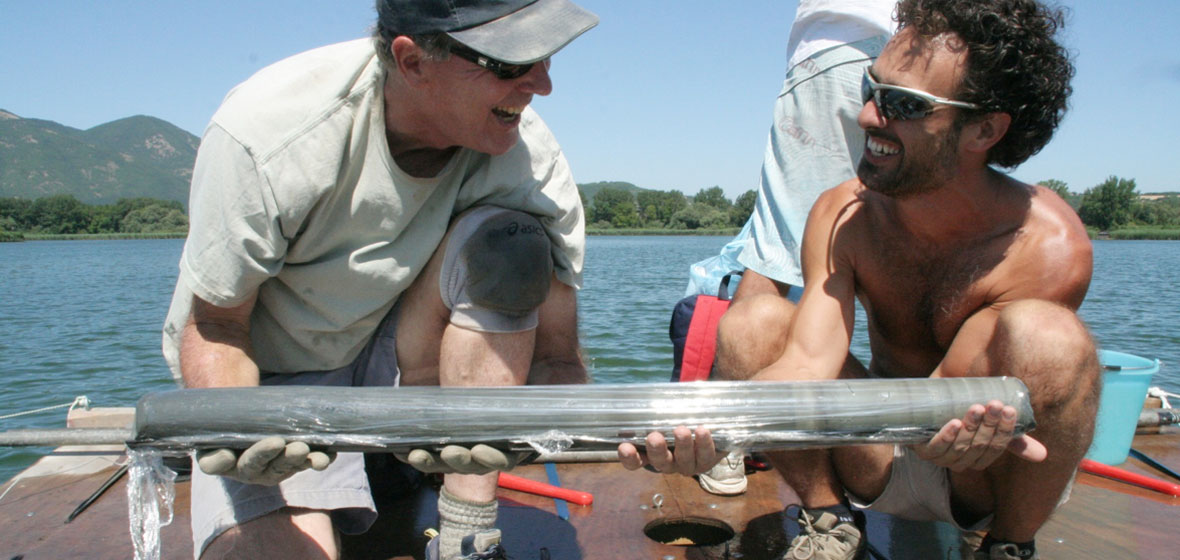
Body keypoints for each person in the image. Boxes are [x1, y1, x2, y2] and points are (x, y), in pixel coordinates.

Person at [640, 1, 1100, 559]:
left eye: (903, 104)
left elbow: (951, 400)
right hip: (879, 452)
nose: (866, 118)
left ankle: (1007, 546)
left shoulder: (1049, 247)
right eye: (870, 88)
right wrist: (702, 424)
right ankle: (829, 521)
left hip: (984, 464)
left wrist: (957, 427)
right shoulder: (842, 213)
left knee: (1052, 337)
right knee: (752, 323)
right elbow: (807, 360)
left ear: (984, 129)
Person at [160, 1, 597, 559]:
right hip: (278, 382)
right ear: (412, 61)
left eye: (546, 57)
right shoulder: (269, 138)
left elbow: (557, 359)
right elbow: (216, 324)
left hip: (409, 369)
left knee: (510, 242)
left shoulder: (526, 154)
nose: (543, 84)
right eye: (511, 64)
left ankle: (467, 522)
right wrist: (240, 424)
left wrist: (546, 429)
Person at [667, 0, 898, 496]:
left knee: (777, 250)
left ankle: (725, 443)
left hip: (843, 47)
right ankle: (733, 434)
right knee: (881, 241)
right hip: (908, 50)